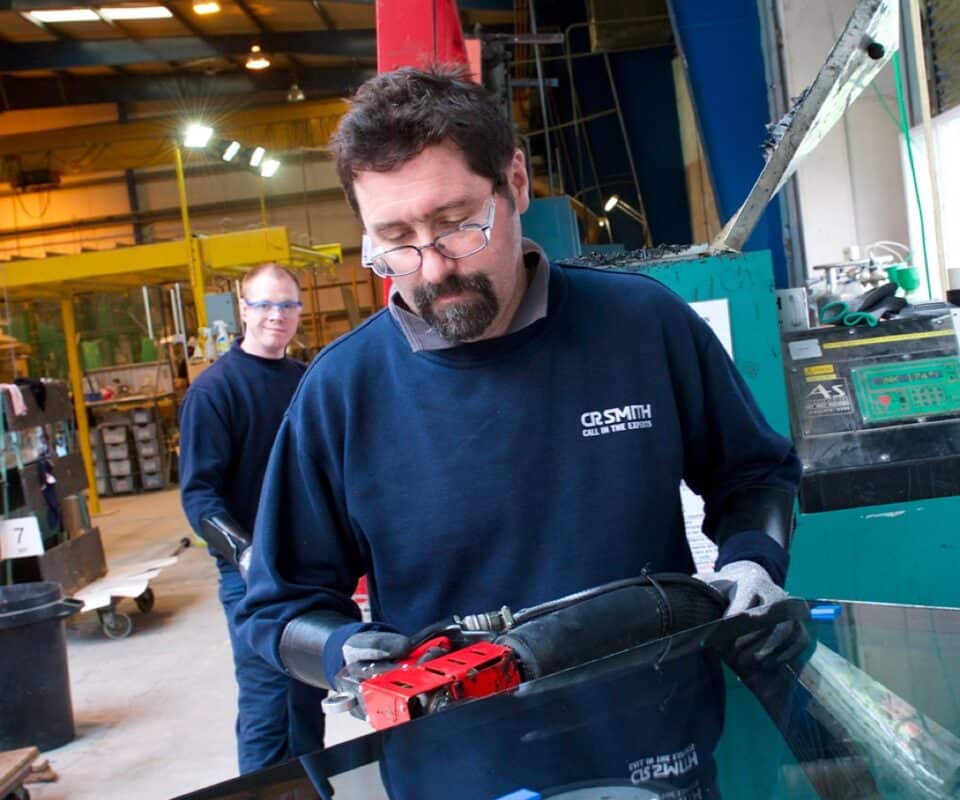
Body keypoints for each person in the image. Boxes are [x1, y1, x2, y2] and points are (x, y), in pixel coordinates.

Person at [238, 67, 801, 797]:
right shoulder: (341, 393)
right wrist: (345, 651)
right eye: (396, 239)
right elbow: (279, 607)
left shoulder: (641, 326)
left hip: (656, 753)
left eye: (457, 223)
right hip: (460, 771)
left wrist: (754, 563)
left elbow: (753, 473)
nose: (433, 266)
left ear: (515, 182)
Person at [179, 263, 326, 774]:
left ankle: (310, 789)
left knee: (306, 698)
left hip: (307, 568)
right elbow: (199, 496)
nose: (275, 316)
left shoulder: (307, 381)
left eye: (286, 304)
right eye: (263, 304)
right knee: (268, 705)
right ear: (243, 310)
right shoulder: (214, 392)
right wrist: (244, 552)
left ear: (299, 310)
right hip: (251, 578)